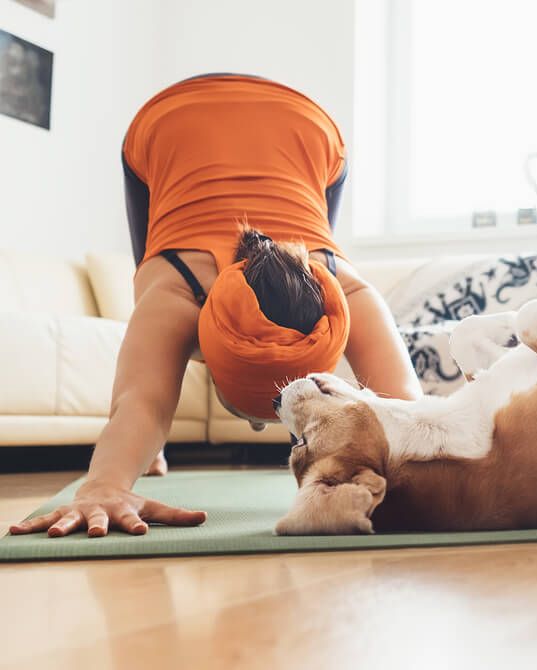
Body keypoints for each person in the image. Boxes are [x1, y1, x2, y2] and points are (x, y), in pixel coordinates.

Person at [9, 74, 421, 539]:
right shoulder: (177, 289)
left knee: (153, 330)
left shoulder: (344, 294)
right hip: (168, 123)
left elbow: (408, 411)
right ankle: (140, 449)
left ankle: (141, 448)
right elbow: (143, 401)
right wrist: (103, 485)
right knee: (149, 290)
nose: (254, 426)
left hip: (308, 131)